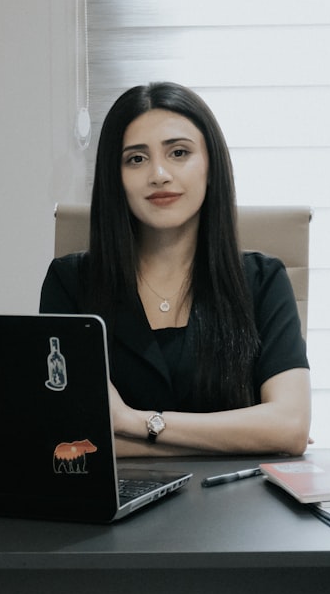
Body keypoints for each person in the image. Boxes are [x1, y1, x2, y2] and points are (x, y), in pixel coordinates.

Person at [39, 82, 311, 457]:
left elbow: (290, 428)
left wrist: (134, 423)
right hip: (112, 502)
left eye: (179, 152)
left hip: (235, 504)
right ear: (114, 179)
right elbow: (63, 434)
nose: (159, 174)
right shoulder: (70, 284)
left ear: (211, 167)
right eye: (136, 159)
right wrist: (237, 437)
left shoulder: (263, 281)